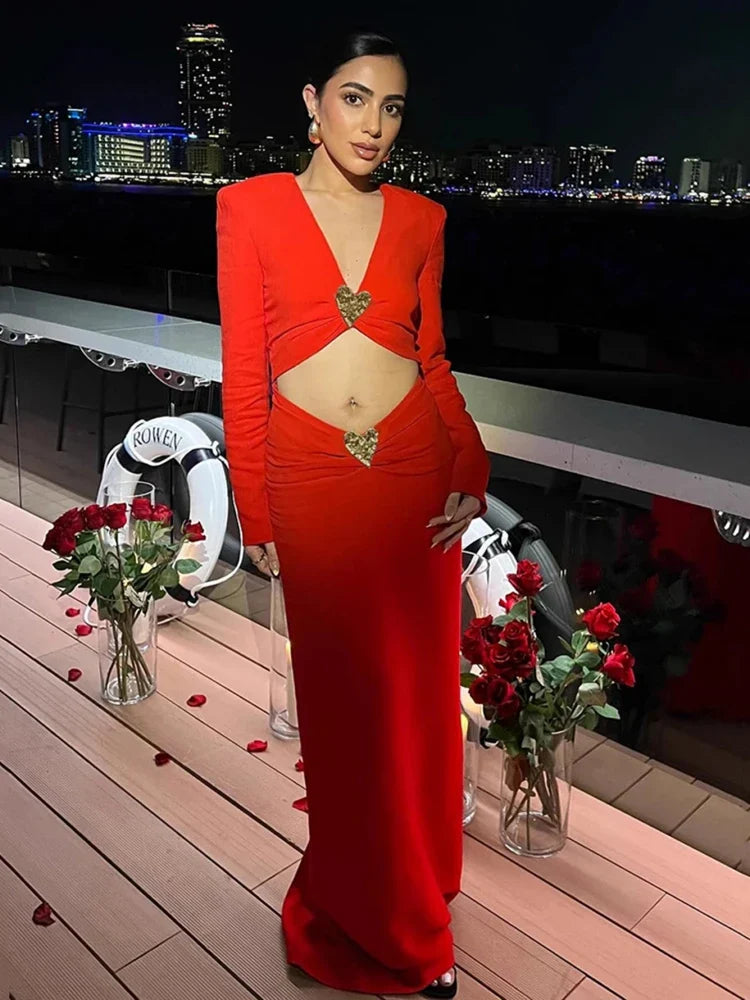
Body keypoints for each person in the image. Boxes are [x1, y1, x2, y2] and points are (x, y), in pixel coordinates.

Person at [216, 27, 490, 997]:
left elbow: (433, 359)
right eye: (354, 97)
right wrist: (257, 514)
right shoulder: (248, 206)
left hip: (415, 477)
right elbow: (243, 377)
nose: (374, 124)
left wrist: (472, 459)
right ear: (312, 101)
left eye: (392, 106)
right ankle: (384, 928)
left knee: (415, 707)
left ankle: (415, 895)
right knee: (347, 724)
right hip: (312, 487)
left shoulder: (423, 219)